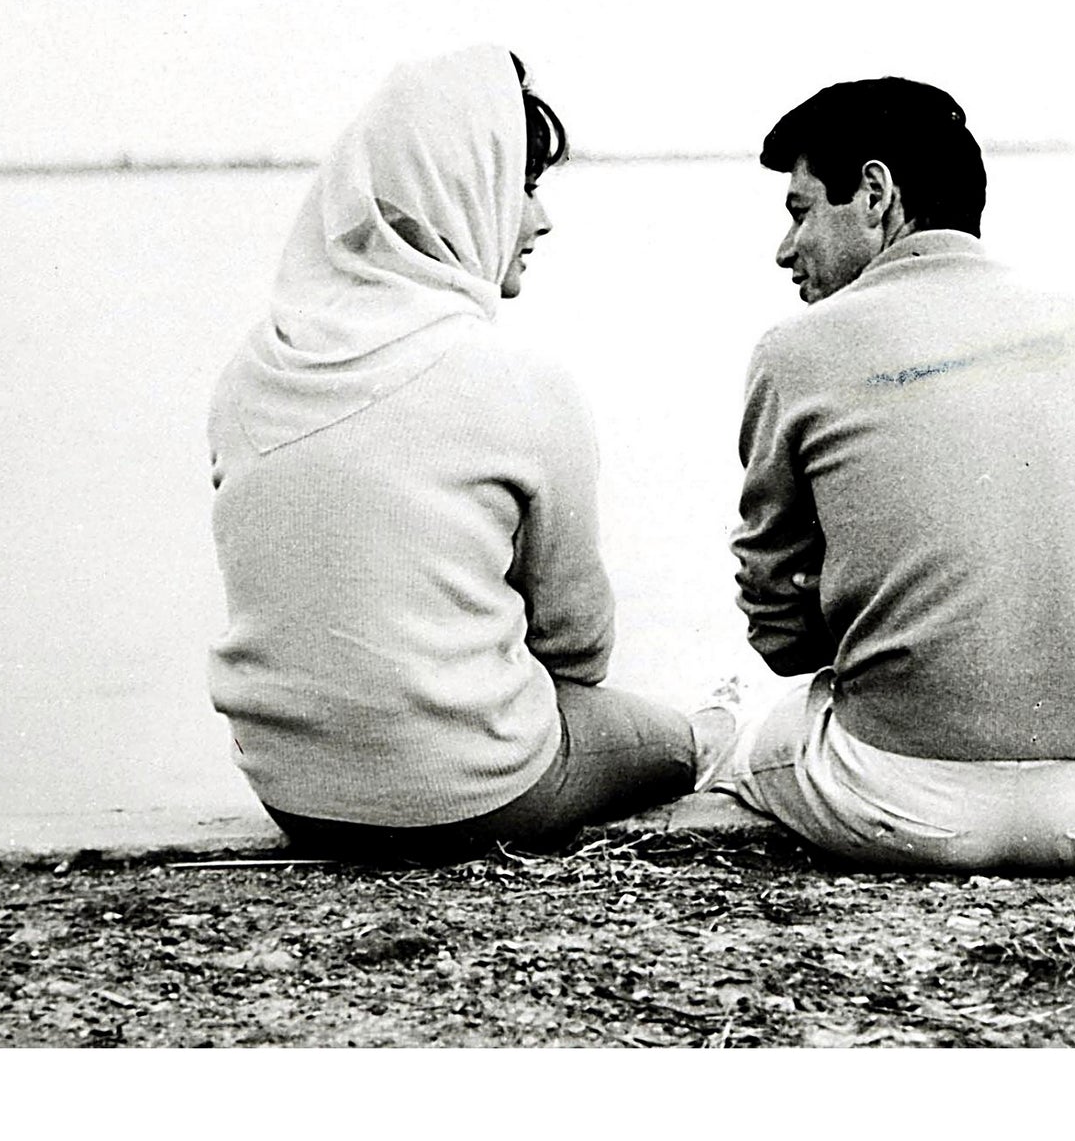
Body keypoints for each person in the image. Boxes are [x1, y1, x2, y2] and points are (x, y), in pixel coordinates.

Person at [206, 43, 725, 863]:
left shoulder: (251, 371)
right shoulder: (518, 381)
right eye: (524, 186)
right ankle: (719, 729)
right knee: (678, 739)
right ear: (463, 188)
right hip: (477, 795)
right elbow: (578, 648)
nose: (541, 220)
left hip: (294, 795)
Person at [720, 78, 1075, 872]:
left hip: (902, 797)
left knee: (740, 730)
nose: (786, 249)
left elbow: (777, 622)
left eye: (800, 211)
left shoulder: (798, 348)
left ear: (874, 193)